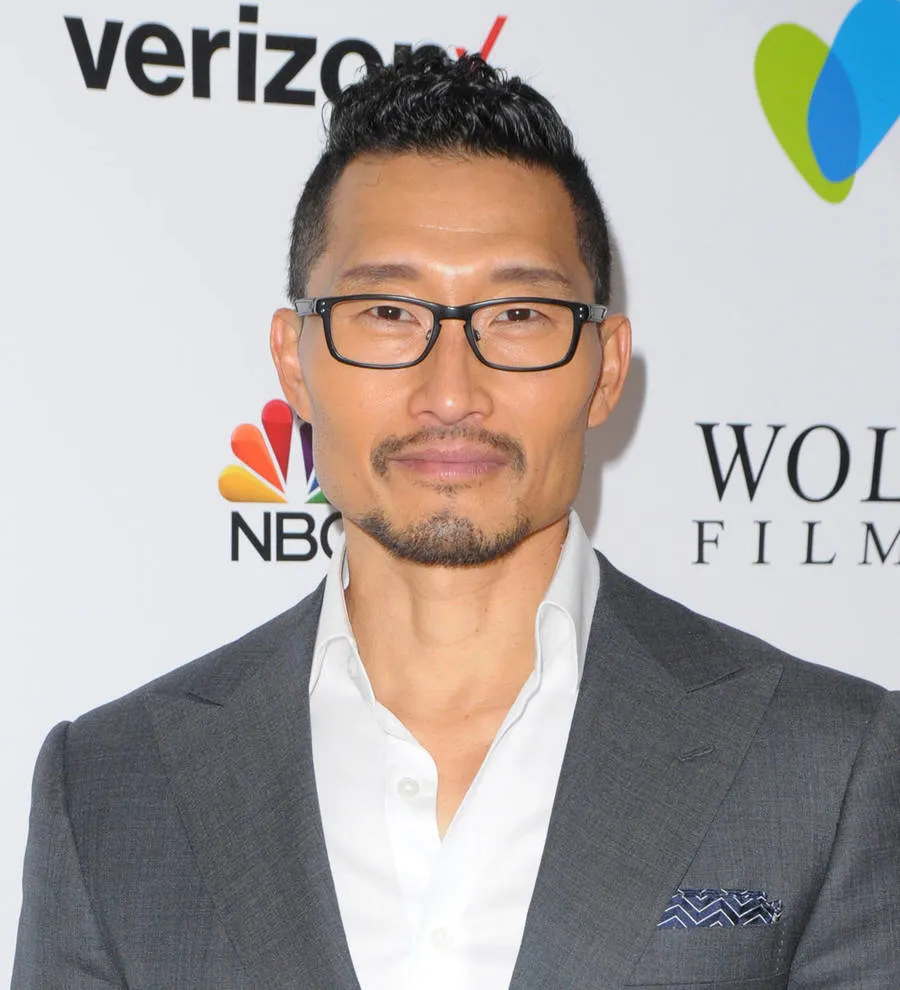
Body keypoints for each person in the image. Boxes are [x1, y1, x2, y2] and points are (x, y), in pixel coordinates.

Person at [12, 52, 899, 990]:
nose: (450, 393)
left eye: (518, 314)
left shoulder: (826, 766)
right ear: (294, 362)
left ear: (604, 368)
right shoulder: (110, 787)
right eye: (387, 312)